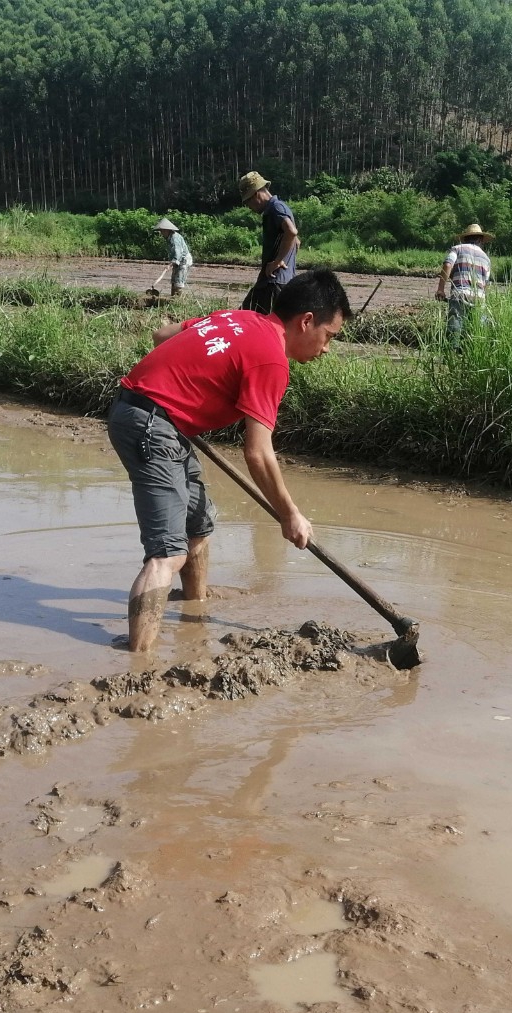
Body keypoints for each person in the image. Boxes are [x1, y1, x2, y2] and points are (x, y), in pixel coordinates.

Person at [107, 269, 352, 653]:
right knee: (167, 553)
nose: (326, 348)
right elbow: (256, 452)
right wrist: (290, 514)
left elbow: (162, 336)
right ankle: (137, 663)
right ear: (307, 321)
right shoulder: (272, 359)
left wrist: (185, 393)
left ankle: (194, 606)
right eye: (329, 336)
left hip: (153, 416)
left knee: (198, 524)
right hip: (153, 426)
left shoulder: (239, 317)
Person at [237, 170, 298, 315]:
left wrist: (278, 261)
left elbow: (292, 232)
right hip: (276, 281)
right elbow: (297, 242)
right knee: (247, 317)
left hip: (273, 283)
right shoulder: (277, 208)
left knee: (246, 319)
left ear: (256, 194)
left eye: (248, 202)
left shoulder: (275, 208)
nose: (249, 207)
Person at [435, 223, 492, 343]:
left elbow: (448, 264)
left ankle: (451, 352)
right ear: (480, 240)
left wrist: (440, 289)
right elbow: (485, 283)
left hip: (460, 293)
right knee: (474, 333)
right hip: (479, 298)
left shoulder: (458, 249)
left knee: (454, 328)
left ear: (465, 238)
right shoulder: (486, 258)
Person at [154, 217, 192, 297]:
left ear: (166, 230)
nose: (161, 233)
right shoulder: (170, 238)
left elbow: (178, 253)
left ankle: (178, 301)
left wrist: (170, 264)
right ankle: (173, 298)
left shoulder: (175, 238)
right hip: (177, 261)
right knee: (174, 281)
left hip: (183, 261)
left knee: (178, 281)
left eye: (162, 231)